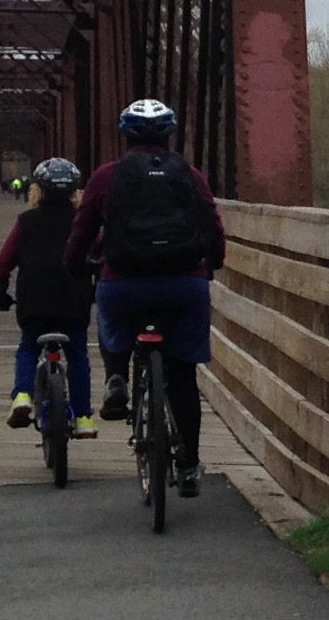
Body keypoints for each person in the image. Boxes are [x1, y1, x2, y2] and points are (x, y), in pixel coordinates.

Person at [65, 97, 227, 496]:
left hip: (124, 284)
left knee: (109, 313)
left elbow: (82, 231)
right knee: (183, 375)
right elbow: (213, 226)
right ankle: (188, 468)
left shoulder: (107, 176)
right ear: (169, 135)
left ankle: (116, 377)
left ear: (126, 136)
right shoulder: (191, 175)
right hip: (184, 285)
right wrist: (213, 263)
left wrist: (74, 264)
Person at [0, 158, 100, 435]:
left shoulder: (26, 221)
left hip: (34, 301)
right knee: (78, 355)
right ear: (75, 191)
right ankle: (83, 417)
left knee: (28, 347)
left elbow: (3, 261)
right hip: (73, 301)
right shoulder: (83, 222)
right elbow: (101, 256)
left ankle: (22, 394)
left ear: (38, 189)